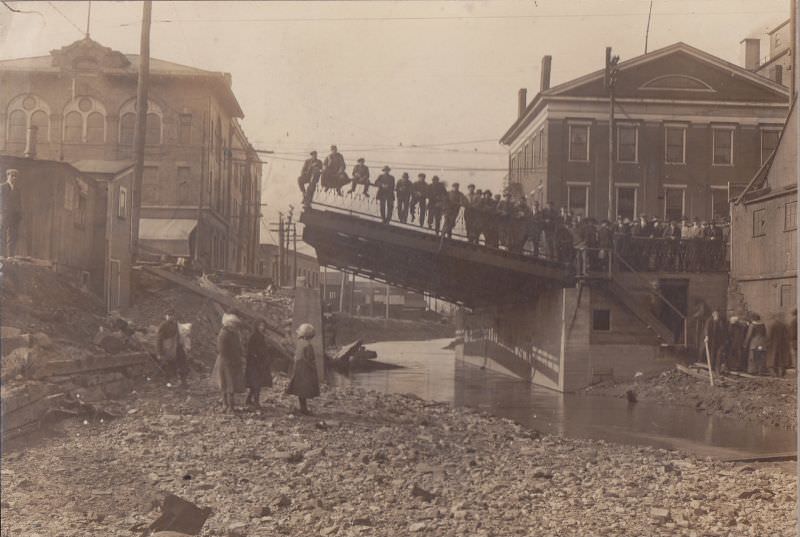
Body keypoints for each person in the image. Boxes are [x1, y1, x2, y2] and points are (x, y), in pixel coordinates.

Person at [213, 313, 245, 413]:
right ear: (228, 324)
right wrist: (232, 358)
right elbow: (221, 349)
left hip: (234, 361)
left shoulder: (234, 334)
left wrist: (241, 356)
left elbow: (239, 347)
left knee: (232, 384)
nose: (235, 326)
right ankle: (226, 405)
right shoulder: (223, 334)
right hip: (225, 362)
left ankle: (230, 406)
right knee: (226, 384)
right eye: (233, 324)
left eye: (236, 324)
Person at [287, 323, 320, 415]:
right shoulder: (308, 345)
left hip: (299, 367)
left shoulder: (300, 343)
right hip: (305, 369)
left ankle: (303, 407)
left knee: (300, 389)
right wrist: (313, 367)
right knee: (304, 389)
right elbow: (309, 358)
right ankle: (303, 409)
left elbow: (297, 355)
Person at [245, 320, 273, 408]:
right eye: (260, 325)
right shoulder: (253, 336)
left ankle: (249, 399)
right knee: (256, 382)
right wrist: (256, 356)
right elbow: (250, 350)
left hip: (261, 363)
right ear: (256, 326)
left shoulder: (262, 336)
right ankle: (256, 401)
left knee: (257, 382)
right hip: (254, 363)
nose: (262, 327)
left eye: (263, 326)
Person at [156, 312, 189, 388]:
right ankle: (168, 382)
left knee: (183, 363)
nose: (171, 317)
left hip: (178, 347)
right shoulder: (163, 325)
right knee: (169, 365)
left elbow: (182, 334)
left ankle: (183, 382)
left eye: (172, 315)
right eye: (169, 316)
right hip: (168, 348)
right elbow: (159, 340)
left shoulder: (176, 324)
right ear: (166, 316)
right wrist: (159, 353)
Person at [0, 168, 23, 257]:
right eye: (12, 176)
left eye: (15, 176)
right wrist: (2, 213)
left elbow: (19, 203)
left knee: (13, 236)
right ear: (8, 176)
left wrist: (19, 214)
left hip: (15, 216)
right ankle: (1, 255)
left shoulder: (17, 189)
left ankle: (10, 256)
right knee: (2, 234)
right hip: (5, 215)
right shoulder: (2, 187)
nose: (14, 178)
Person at [766, 313, 791, 377]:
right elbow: (787, 335)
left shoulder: (771, 325)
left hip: (773, 344)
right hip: (782, 345)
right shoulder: (783, 325)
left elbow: (769, 335)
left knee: (772, 359)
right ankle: (780, 373)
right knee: (780, 359)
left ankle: (774, 374)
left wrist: (767, 343)